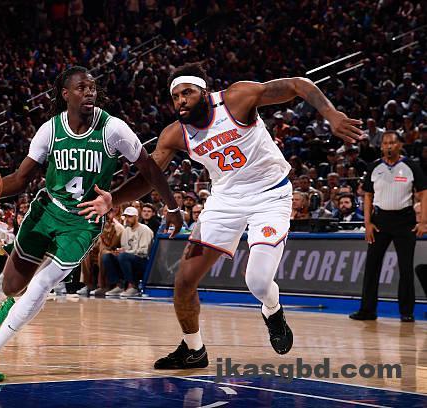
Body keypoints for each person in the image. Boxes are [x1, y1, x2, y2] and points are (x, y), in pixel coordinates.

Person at [79, 62, 363, 368]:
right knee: (184, 280)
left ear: (204, 92)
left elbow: (297, 84)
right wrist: (113, 199)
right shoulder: (175, 134)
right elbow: (149, 176)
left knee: (257, 282)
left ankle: (272, 309)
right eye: (175, 97)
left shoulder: (237, 98)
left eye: (187, 93)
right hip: (225, 201)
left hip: (270, 195)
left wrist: (331, 114)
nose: (181, 101)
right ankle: (194, 349)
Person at [0, 66, 182, 382]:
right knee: (12, 286)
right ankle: (13, 301)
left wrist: (172, 206)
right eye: (81, 88)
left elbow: (150, 171)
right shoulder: (50, 130)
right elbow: (21, 178)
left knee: (43, 284)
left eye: (92, 88)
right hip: (47, 210)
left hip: (84, 221)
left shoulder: (113, 129)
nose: (89, 93)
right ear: (65, 94)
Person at [350, 131, 426, 322]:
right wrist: (367, 223)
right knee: (371, 266)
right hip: (380, 221)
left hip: (405, 221)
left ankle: (406, 312)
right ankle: (367, 310)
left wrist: (423, 221)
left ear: (400, 145)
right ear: (381, 146)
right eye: (385, 143)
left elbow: (424, 193)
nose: (388, 146)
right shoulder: (374, 167)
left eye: (392, 142)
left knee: (406, 268)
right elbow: (367, 195)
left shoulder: (411, 166)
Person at [103, 206, 154, 297]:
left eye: (130, 217)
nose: (127, 219)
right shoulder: (126, 230)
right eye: (126, 217)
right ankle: (119, 285)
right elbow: (124, 248)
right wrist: (118, 251)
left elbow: (144, 251)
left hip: (143, 261)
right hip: (129, 258)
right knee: (107, 257)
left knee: (123, 256)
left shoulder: (145, 229)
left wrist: (125, 252)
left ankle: (133, 286)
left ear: (136, 217)